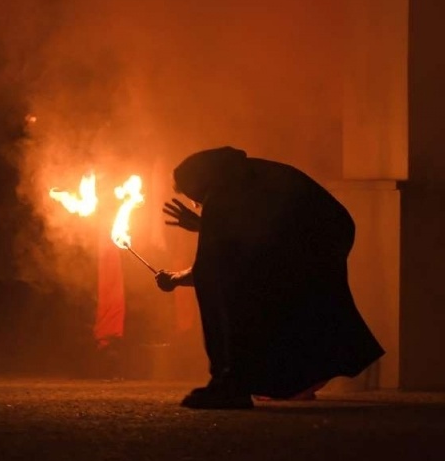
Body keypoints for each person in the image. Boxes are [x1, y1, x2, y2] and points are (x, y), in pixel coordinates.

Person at [154, 146, 383, 410]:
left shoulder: (223, 193)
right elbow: (241, 239)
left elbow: (213, 270)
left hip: (315, 236)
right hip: (325, 230)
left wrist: (178, 278)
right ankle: (283, 379)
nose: (196, 204)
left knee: (255, 302)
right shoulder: (241, 176)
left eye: (193, 197)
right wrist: (204, 229)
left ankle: (232, 382)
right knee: (293, 307)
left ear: (198, 184)